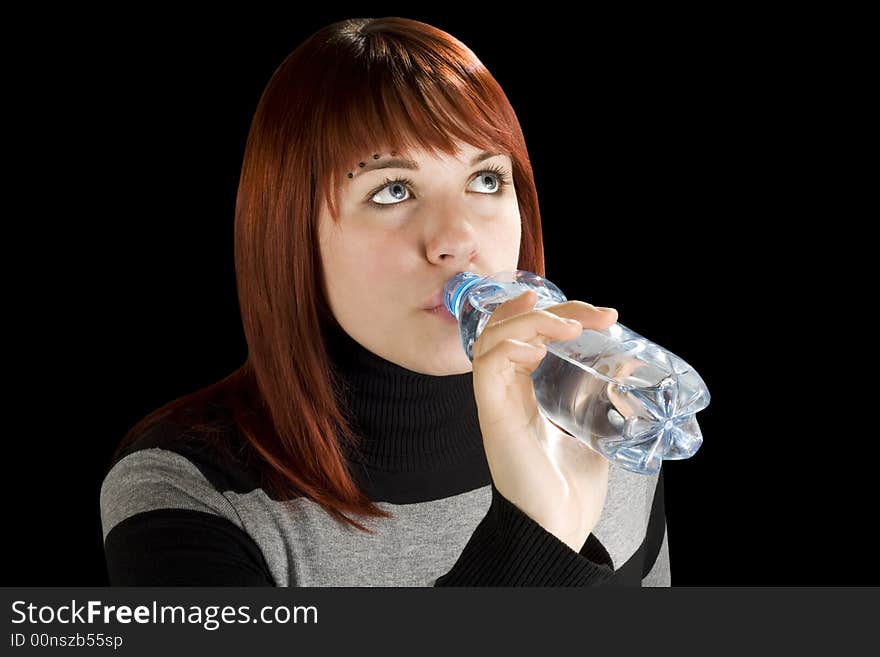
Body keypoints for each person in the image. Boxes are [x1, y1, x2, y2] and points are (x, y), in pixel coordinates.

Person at [99, 16, 671, 586]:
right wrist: (534, 537)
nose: (457, 240)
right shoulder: (189, 491)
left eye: (488, 180)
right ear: (290, 236)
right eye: (393, 191)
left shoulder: (608, 424)